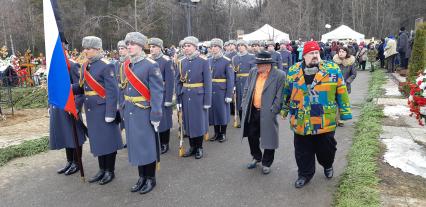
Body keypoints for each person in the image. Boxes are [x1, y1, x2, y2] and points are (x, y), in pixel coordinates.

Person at [281, 41, 352, 188]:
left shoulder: (332, 69)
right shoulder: (293, 70)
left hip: (324, 119)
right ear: (304, 56)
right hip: (301, 118)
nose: (314, 56)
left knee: (327, 148)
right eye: (311, 53)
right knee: (302, 150)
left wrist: (345, 112)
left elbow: (342, 90)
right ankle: (304, 174)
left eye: (316, 53)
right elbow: (287, 93)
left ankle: (327, 165)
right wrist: (284, 109)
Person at [74, 36, 123, 185]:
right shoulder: (84, 66)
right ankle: (102, 169)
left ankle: (110, 171)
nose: (85, 51)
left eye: (88, 49)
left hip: (103, 110)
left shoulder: (106, 65)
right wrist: (68, 88)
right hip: (91, 110)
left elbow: (112, 91)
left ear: (97, 49)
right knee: (98, 141)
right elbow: (83, 87)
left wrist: (111, 113)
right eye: (85, 48)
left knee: (108, 141)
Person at [123, 32, 163, 194]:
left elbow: (157, 92)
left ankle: (150, 178)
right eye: (128, 44)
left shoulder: (150, 65)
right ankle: (141, 177)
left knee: (147, 147)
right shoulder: (127, 65)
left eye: (132, 44)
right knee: (137, 146)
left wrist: (156, 115)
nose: (129, 47)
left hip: (144, 113)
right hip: (131, 112)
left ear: (140, 46)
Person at [241, 51, 286, 174]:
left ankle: (267, 162)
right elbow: (246, 88)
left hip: (268, 111)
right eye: (257, 64)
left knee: (269, 137)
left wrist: (274, 110)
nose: (257, 66)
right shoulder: (253, 72)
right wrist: (244, 103)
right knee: (251, 135)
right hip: (253, 109)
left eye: (259, 64)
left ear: (268, 64)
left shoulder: (279, 75)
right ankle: (256, 156)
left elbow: (280, 95)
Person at [176, 36, 212, 159]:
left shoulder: (203, 60)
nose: (186, 48)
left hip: (198, 96)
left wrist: (207, 100)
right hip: (185, 95)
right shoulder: (181, 62)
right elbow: (178, 81)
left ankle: (199, 147)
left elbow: (208, 82)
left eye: (188, 46)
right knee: (188, 122)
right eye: (184, 46)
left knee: (198, 122)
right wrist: (178, 98)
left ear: (195, 47)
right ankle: (192, 147)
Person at [49, 57, 86, 176]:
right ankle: (70, 161)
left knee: (74, 135)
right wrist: (50, 104)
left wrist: (76, 106)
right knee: (65, 134)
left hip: (71, 107)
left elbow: (80, 88)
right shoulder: (55, 64)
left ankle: (77, 162)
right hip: (59, 105)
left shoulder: (72, 65)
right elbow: (52, 86)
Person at [148, 37, 174, 154]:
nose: (151, 49)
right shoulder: (148, 60)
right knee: (154, 119)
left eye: (154, 47)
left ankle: (165, 143)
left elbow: (170, 81)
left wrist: (168, 99)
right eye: (150, 47)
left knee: (164, 121)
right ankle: (156, 141)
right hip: (151, 95)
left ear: (160, 48)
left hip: (162, 95)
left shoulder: (166, 60)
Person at [208, 38, 234, 142]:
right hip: (211, 89)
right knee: (214, 112)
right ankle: (216, 133)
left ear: (220, 48)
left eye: (216, 46)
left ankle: (223, 133)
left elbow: (230, 79)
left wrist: (229, 94)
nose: (213, 49)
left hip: (222, 90)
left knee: (222, 112)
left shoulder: (226, 61)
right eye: (212, 47)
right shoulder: (209, 60)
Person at [232, 40, 256, 126]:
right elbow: (233, 72)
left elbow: (254, 71)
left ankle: (249, 121)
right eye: (238, 45)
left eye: (242, 45)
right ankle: (242, 121)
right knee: (239, 102)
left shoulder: (251, 57)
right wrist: (233, 85)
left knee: (249, 101)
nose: (240, 47)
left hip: (248, 81)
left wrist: (253, 83)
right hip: (238, 82)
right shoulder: (235, 58)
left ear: (246, 47)